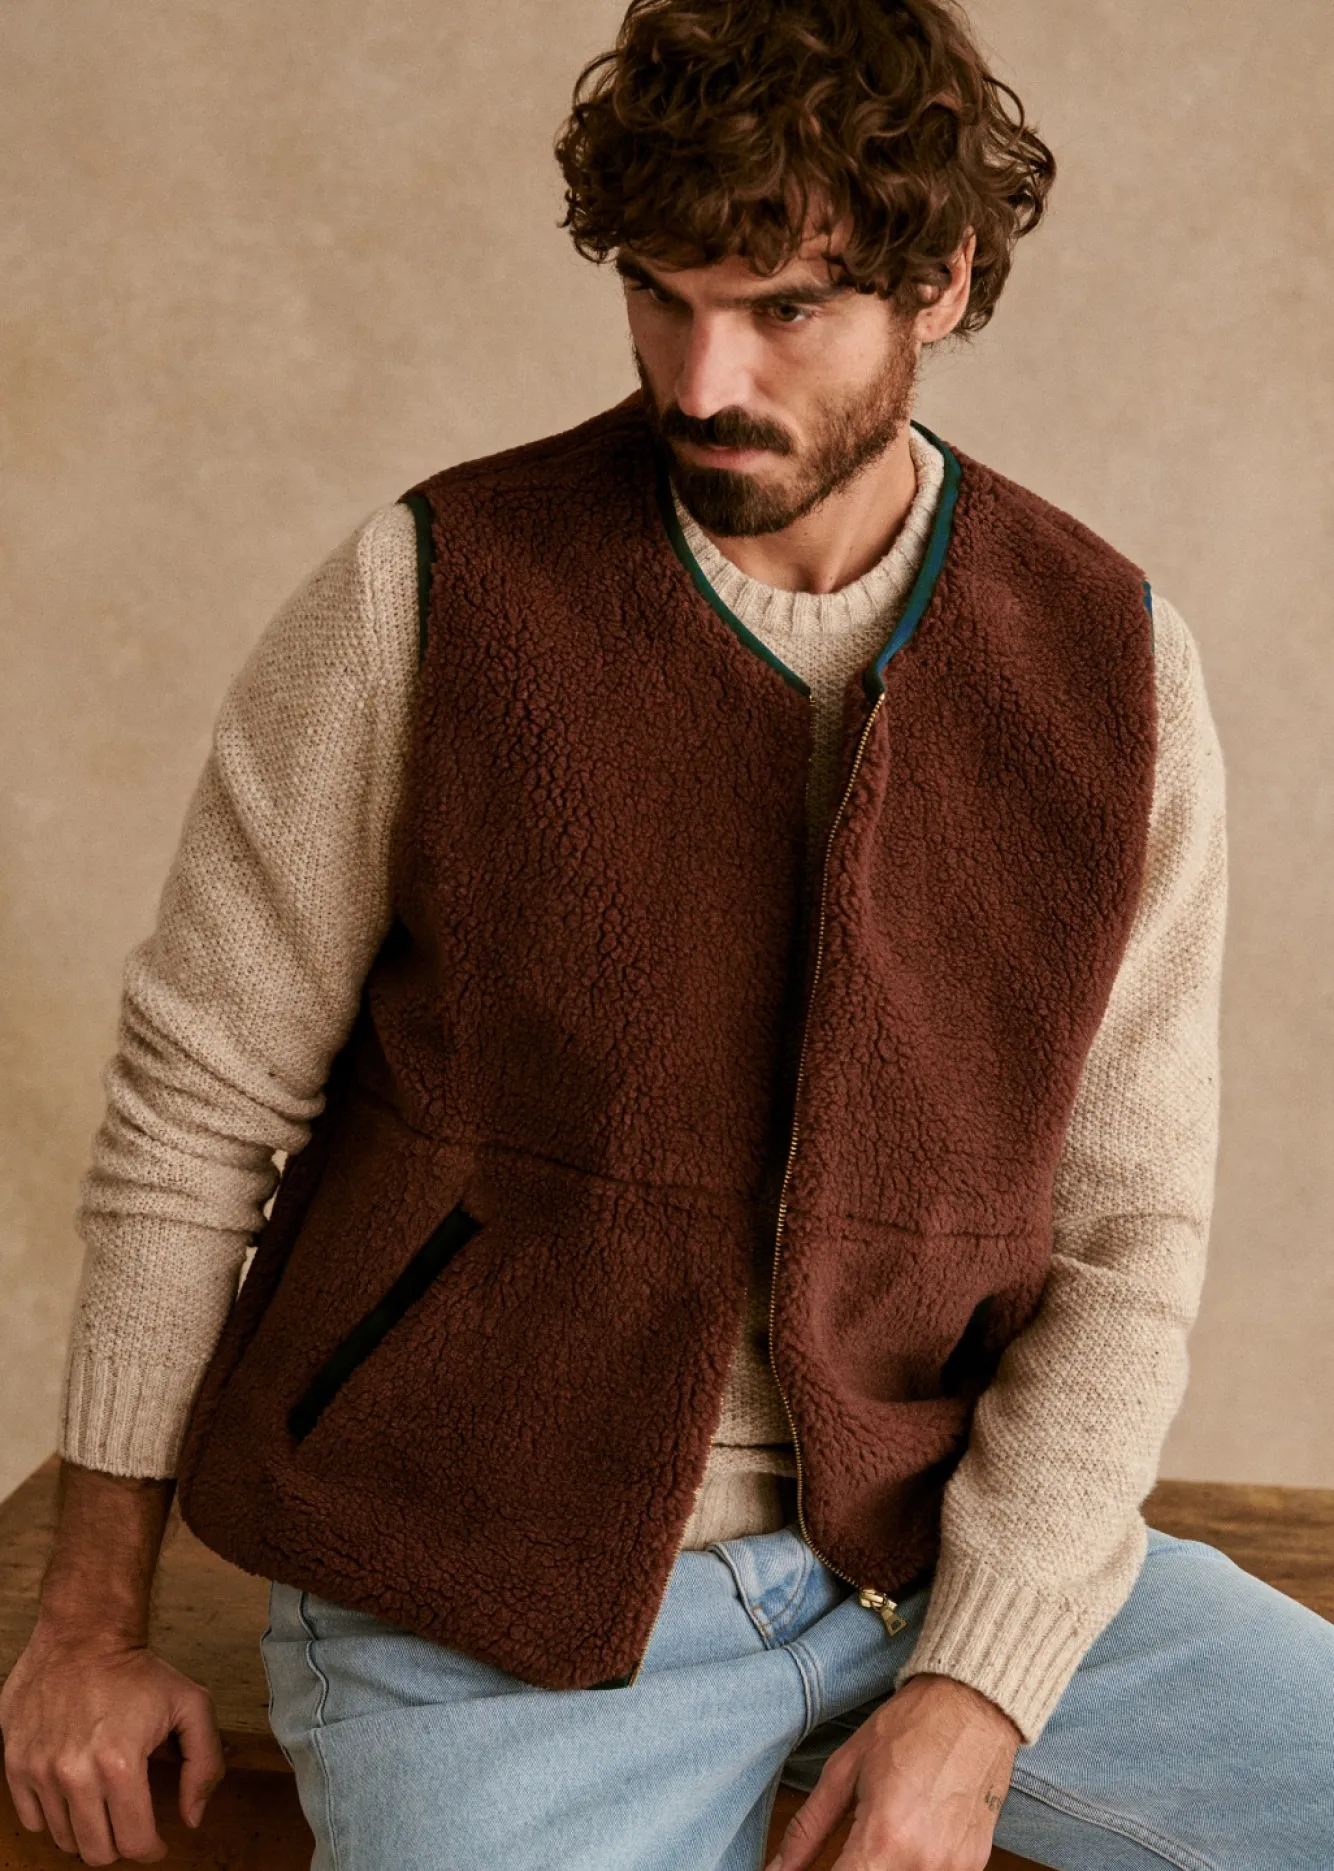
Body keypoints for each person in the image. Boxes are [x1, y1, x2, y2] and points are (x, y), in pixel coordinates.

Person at [2, 0, 1331, 1866]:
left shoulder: (1112, 672)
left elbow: (1126, 1239)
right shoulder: (432, 595)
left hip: (930, 1554)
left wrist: (979, 1683)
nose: (702, 379)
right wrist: (87, 1623)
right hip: (479, 1595)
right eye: (657, 294)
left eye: (783, 309)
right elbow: (192, 1117)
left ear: (939, 282)